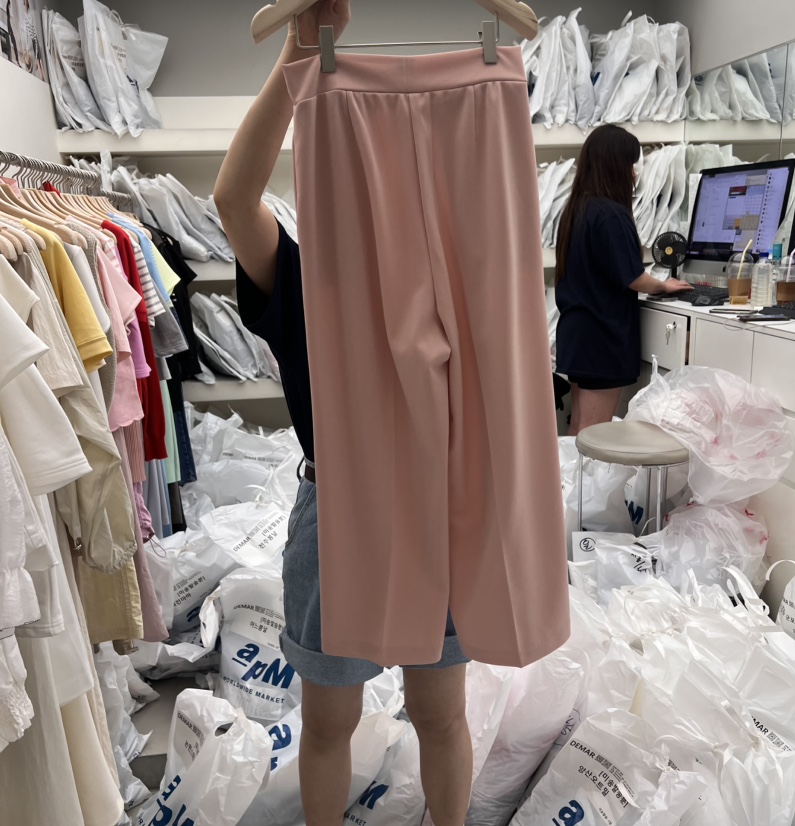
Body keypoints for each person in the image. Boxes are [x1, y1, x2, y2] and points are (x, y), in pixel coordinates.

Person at [214, 3, 473, 825]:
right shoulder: (305, 281)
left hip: (436, 505)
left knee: (439, 713)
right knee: (330, 720)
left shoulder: (451, 286)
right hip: (338, 509)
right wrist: (297, 58)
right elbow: (233, 198)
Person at [554, 124, 692, 436]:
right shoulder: (610, 214)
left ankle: (572, 472)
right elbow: (633, 278)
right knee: (595, 433)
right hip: (601, 339)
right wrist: (663, 285)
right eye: (631, 164)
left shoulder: (577, 209)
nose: (634, 173)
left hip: (579, 336)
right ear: (615, 165)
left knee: (580, 427)